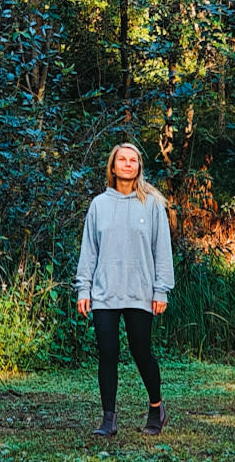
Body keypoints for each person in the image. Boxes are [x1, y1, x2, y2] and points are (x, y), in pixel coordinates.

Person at [74, 142, 175, 437]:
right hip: (105, 291)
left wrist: (161, 290)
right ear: (113, 166)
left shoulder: (152, 204)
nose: (128, 164)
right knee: (107, 352)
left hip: (140, 292)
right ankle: (108, 419)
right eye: (122, 159)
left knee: (141, 351)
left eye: (133, 160)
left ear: (139, 167)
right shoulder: (99, 205)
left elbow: (162, 249)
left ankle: (156, 408)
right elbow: (89, 250)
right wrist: (83, 289)